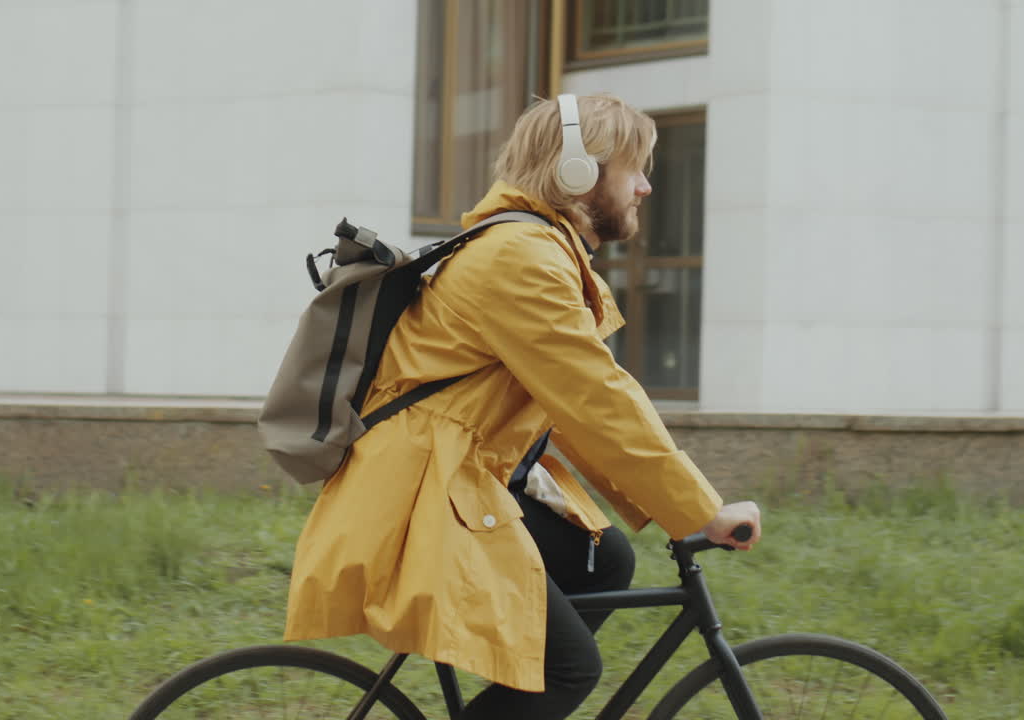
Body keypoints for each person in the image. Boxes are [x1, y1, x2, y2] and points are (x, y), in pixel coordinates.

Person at [283, 93, 762, 720]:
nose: (646, 187)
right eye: (634, 168)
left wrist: (682, 511)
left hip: (453, 481)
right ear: (577, 173)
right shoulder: (520, 259)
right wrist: (701, 510)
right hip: (420, 494)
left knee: (603, 558)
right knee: (567, 669)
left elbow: (576, 407)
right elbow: (598, 399)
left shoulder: (535, 250)